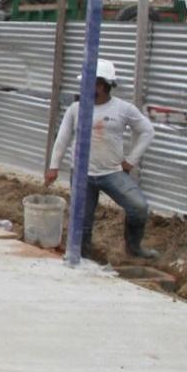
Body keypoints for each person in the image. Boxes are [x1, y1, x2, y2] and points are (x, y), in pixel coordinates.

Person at [46, 59, 158, 259]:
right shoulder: (76, 109)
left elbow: (147, 131)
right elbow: (62, 138)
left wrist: (131, 160)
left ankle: (134, 248)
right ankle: (83, 255)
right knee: (83, 219)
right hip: (81, 174)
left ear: (101, 85)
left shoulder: (123, 109)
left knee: (138, 207)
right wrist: (54, 167)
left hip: (112, 172)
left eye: (88, 83)